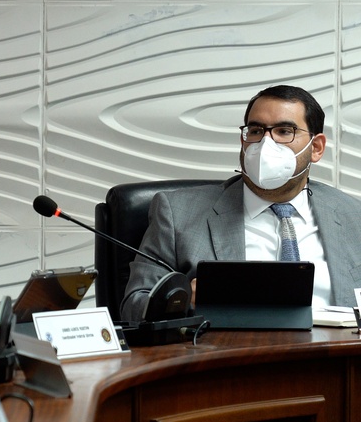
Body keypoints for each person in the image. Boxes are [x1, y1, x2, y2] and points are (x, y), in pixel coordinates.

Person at [121, 85, 361, 321]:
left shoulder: (353, 215)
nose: (266, 143)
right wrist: (182, 300)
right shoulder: (176, 213)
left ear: (316, 148)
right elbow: (133, 306)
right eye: (256, 131)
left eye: (284, 131)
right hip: (230, 355)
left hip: (334, 355)